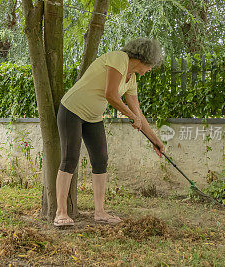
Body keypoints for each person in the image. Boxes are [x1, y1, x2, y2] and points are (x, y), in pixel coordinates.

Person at [54, 38, 165, 227]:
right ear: (144, 58)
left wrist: (156, 140)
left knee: (101, 159)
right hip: (72, 109)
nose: (151, 69)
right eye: (151, 65)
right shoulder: (118, 59)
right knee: (70, 158)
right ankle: (60, 213)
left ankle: (100, 212)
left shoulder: (132, 79)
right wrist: (131, 116)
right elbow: (111, 94)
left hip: (93, 117)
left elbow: (138, 114)